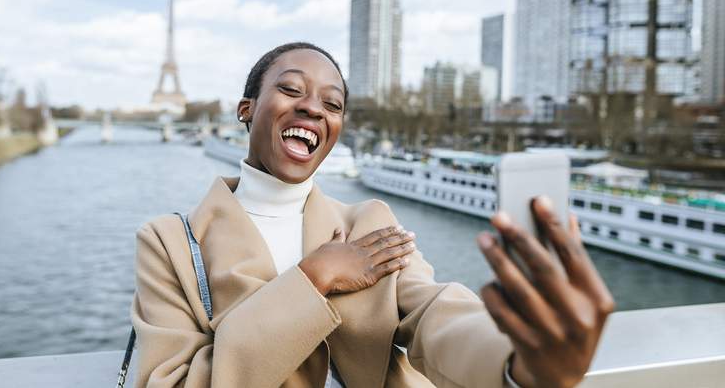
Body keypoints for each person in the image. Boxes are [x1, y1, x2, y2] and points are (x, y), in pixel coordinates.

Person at [131, 42, 614, 388]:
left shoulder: (368, 222)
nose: (314, 109)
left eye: (332, 103)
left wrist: (518, 364)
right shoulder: (170, 242)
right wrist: (314, 276)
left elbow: (432, 310)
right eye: (291, 90)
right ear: (246, 109)